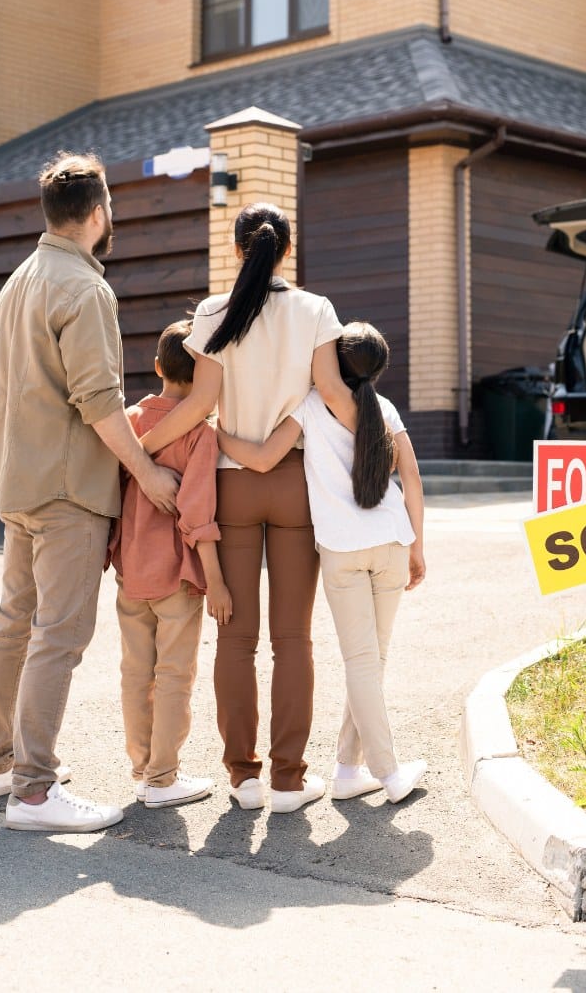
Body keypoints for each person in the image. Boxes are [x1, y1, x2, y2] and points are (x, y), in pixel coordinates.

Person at [0, 151, 180, 834]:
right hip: (67, 489)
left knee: (15, 625)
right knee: (58, 636)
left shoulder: (18, 282)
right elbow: (98, 400)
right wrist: (148, 474)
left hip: (16, 479)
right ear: (97, 214)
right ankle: (32, 793)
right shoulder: (86, 290)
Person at [140, 202, 354, 813]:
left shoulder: (212, 311)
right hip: (295, 484)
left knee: (235, 639)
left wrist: (137, 450)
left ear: (238, 250)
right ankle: (289, 780)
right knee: (294, 640)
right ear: (287, 250)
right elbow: (334, 395)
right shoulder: (315, 311)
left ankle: (244, 779)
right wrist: (380, 445)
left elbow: (199, 404)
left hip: (230, 483)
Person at [217, 321, 427, 804]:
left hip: (342, 551)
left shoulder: (310, 406)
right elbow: (412, 480)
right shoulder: (386, 409)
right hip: (393, 541)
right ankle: (354, 769)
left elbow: (267, 459)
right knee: (372, 661)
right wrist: (417, 544)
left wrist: (220, 437)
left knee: (363, 662)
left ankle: (376, 771)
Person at [107, 319, 232, 809]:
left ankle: (142, 769)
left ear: (158, 366)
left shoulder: (133, 419)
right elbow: (197, 513)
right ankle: (162, 778)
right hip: (177, 574)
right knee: (175, 674)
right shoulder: (200, 434)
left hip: (130, 568)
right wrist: (216, 581)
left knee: (135, 671)